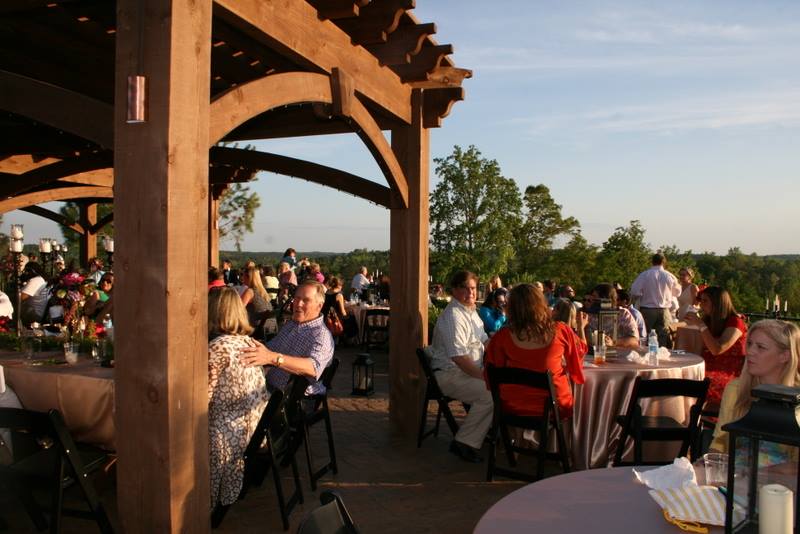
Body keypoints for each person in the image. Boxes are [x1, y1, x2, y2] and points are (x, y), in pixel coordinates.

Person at [207, 287, 269, 508]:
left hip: (226, 436)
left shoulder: (217, 348)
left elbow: (200, 398)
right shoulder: (249, 343)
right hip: (253, 430)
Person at [485, 284, 586, 419]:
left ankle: (514, 438)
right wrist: (581, 328)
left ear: (511, 308)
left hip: (512, 405)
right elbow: (579, 354)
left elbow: (492, 372)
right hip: (553, 407)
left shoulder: (501, 337)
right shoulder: (561, 331)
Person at [710, 320, 799, 466]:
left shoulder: (797, 397)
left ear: (784, 356)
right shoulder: (735, 389)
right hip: (732, 478)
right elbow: (719, 442)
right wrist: (711, 464)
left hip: (781, 485)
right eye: (750, 344)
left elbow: (795, 465)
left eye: (761, 347)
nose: (750, 351)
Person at [429, 271, 493, 463]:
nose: (470, 292)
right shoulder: (453, 316)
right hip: (450, 375)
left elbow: (485, 341)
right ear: (455, 290)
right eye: (465, 288)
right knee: (491, 394)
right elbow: (458, 357)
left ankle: (481, 431)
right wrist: (484, 376)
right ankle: (463, 443)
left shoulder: (471, 312)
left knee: (499, 387)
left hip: (467, 372)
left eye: (473, 288)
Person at [238, 280, 334, 395]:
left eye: (306, 300)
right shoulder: (292, 324)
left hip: (290, 401)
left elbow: (313, 368)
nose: (298, 304)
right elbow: (270, 348)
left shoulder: (321, 336)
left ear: (319, 306)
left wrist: (273, 358)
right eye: (297, 298)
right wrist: (242, 344)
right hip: (269, 388)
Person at [684, 286, 747, 404]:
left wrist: (701, 326)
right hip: (704, 367)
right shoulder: (709, 320)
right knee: (678, 379)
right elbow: (698, 350)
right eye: (701, 300)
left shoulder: (735, 322)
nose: (701, 305)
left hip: (726, 372)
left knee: (690, 385)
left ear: (718, 303)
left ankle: (693, 417)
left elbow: (717, 349)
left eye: (705, 301)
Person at [630, 253, 682, 348]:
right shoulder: (669, 276)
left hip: (647, 310)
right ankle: (663, 357)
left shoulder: (644, 275)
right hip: (664, 310)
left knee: (646, 335)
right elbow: (678, 292)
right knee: (663, 336)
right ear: (664, 262)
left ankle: (646, 355)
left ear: (652, 262)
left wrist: (643, 294)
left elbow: (634, 291)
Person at [586, 283, 640, 349]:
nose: (591, 300)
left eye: (594, 297)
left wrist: (613, 342)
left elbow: (634, 341)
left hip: (619, 355)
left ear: (605, 299)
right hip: (594, 354)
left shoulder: (622, 314)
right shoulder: (589, 314)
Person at [240, 266, 274, 338]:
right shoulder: (263, 291)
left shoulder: (250, 291)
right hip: (271, 327)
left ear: (248, 277)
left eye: (243, 275)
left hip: (258, 328)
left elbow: (238, 309)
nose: (242, 278)